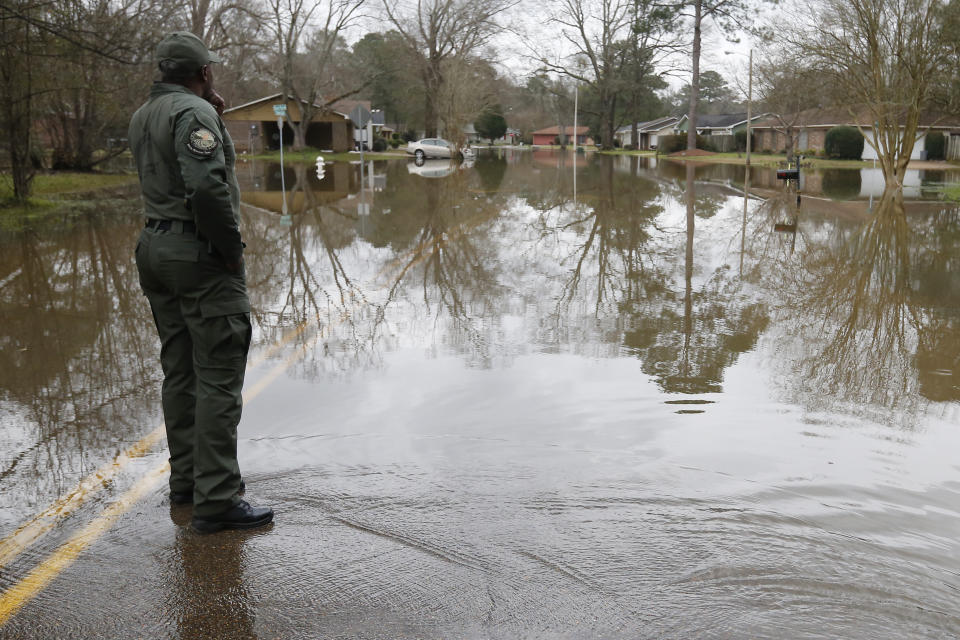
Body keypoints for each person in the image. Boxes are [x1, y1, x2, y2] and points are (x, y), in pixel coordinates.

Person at [128, 31, 273, 533]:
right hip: (197, 252)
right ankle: (218, 499)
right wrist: (230, 250)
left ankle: (187, 483)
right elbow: (207, 188)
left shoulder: (145, 113)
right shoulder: (194, 114)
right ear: (204, 72)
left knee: (181, 369)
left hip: (154, 247)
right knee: (218, 373)